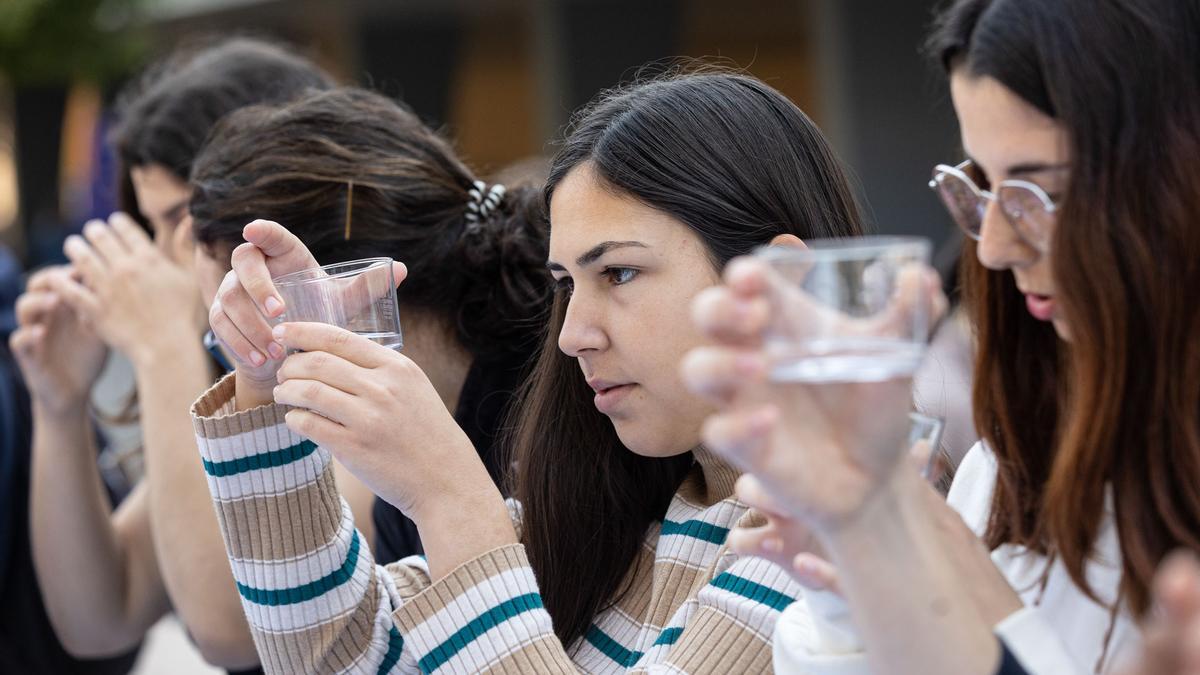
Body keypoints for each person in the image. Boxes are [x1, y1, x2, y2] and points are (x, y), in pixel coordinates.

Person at [192, 70, 863, 672]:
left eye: (620, 272)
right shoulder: (615, 519)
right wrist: (266, 378)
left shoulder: (835, 528)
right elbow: (332, 659)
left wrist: (451, 498)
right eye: (567, 284)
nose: (572, 335)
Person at [680, 0, 1200, 673]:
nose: (994, 248)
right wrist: (856, 583)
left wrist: (899, 539)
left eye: (1038, 192)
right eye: (982, 187)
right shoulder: (1007, 468)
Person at [8, 38, 338, 671]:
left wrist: (164, 347)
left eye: (178, 224)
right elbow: (99, 618)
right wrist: (59, 404)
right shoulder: (223, 368)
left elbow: (229, 632)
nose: (161, 257)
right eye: (150, 226)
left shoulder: (344, 356)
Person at [185, 86, 551, 565]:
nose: (255, 370)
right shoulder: (421, 435)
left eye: (237, 340)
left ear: (331, 293)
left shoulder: (554, 415)